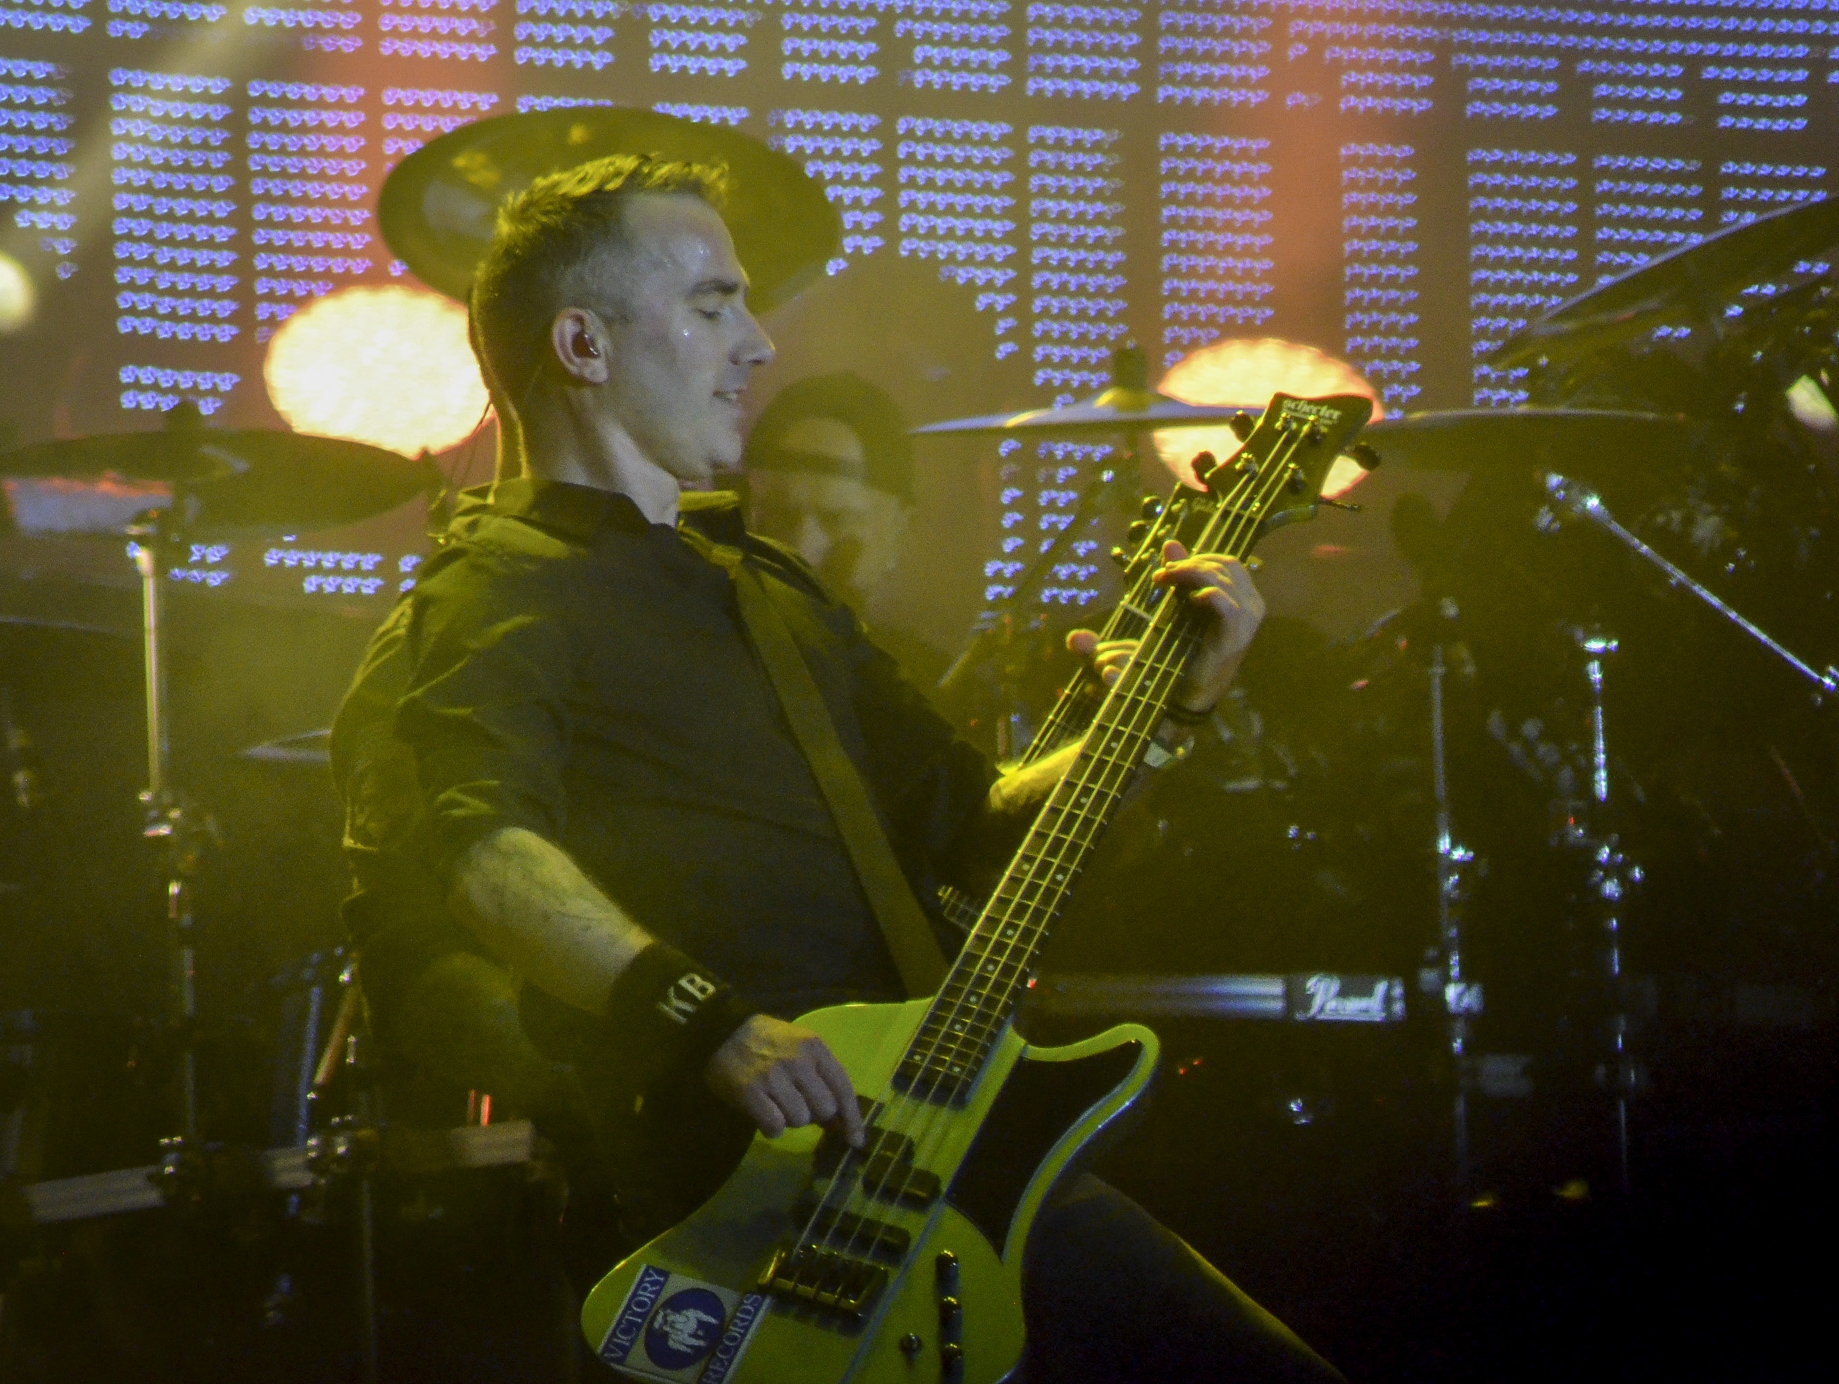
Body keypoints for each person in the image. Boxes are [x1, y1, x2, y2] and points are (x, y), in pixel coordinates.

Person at [329, 153, 1343, 1383]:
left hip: (941, 1150)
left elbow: (978, 826)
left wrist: (1164, 713)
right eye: (712, 304)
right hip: (741, 1204)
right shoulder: (497, 589)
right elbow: (484, 854)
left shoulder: (769, 591)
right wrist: (711, 1025)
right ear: (583, 344)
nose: (757, 344)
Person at [738, 372, 950, 689]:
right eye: (781, 515)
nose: (802, 548)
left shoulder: (928, 681)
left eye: (837, 521)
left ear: (899, 531)